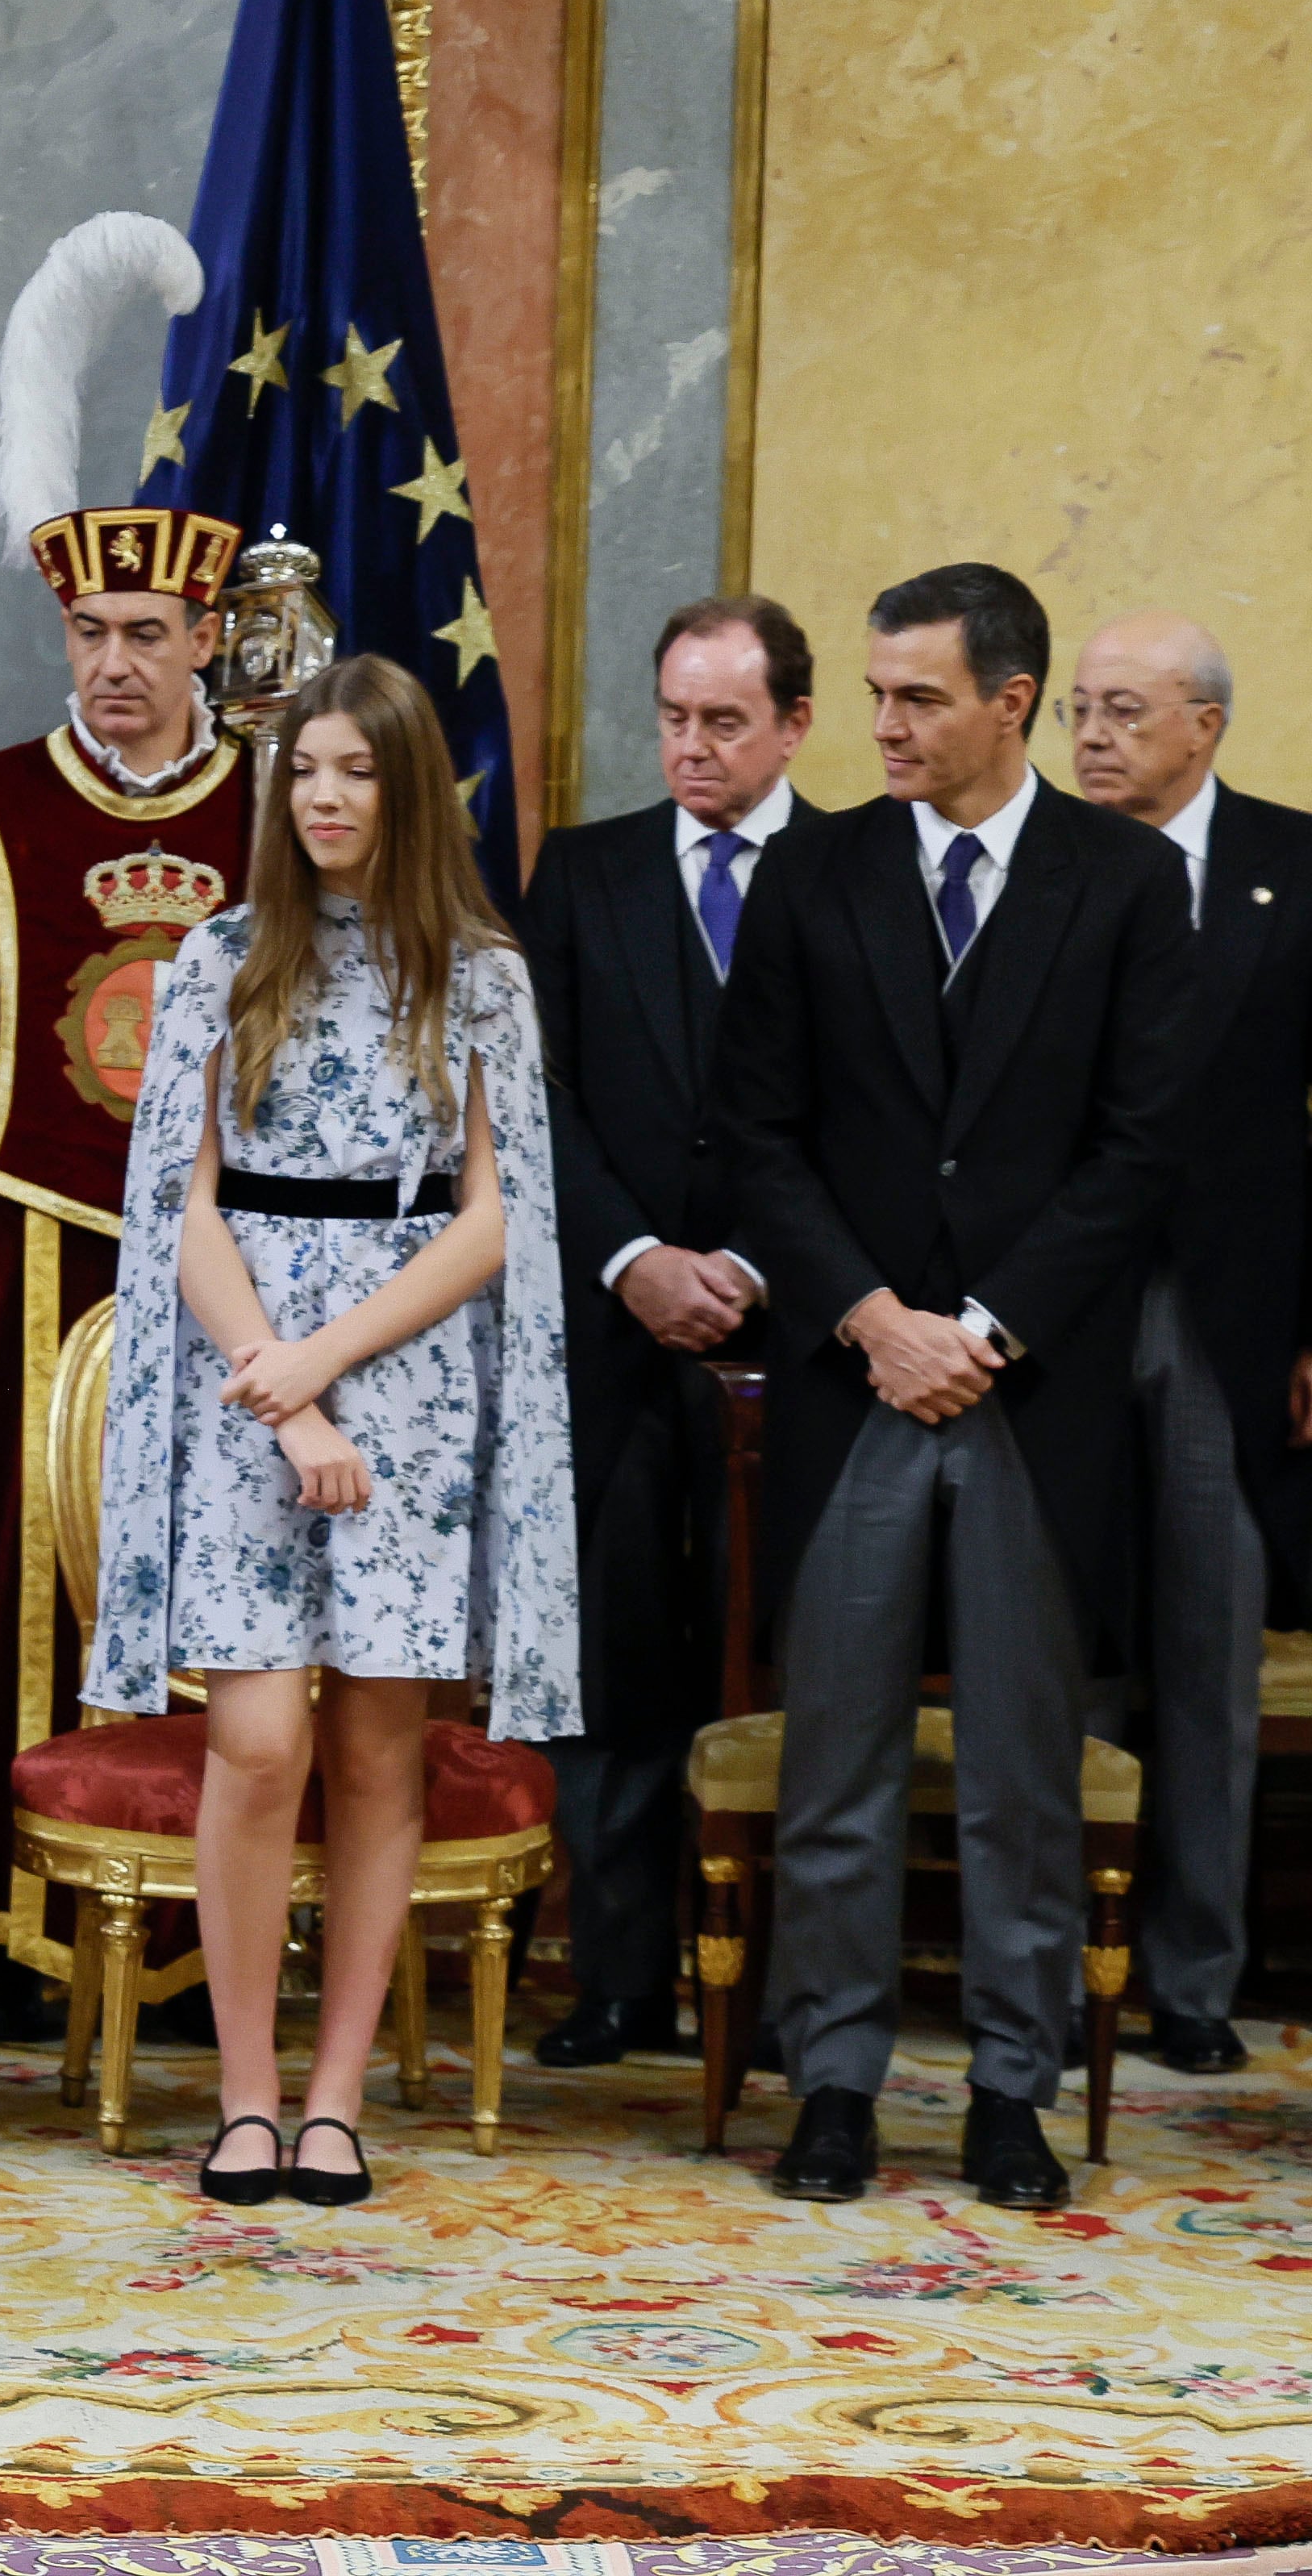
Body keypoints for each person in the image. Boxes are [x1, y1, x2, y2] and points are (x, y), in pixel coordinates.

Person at [715, 563, 1194, 2211]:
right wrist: (870, 1318)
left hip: (1027, 1395)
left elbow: (1141, 1152)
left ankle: (1011, 2088)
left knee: (1020, 1770)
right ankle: (834, 2079)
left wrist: (981, 1327)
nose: (883, 726)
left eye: (918, 696)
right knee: (838, 1757)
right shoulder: (813, 874)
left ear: (1010, 701)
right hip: (857, 1385)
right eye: (875, 694)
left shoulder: (1126, 883)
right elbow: (754, 1137)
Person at [83, 654, 577, 2209]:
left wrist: (327, 1371)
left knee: (376, 1751)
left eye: (356, 771)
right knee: (255, 1738)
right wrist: (272, 1378)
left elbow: (494, 1219)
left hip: (410, 1383)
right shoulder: (221, 957)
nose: (324, 796)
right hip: (247, 1389)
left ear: (406, 789)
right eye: (304, 770)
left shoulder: (481, 970)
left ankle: (336, 2099)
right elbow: (182, 1199)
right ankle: (240, 2094)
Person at [0, 501, 256, 2044]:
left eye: (148, 634)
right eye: (91, 634)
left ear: (208, 640)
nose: (116, 663)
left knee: (230, 1579)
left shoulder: (288, 807)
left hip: (252, 1273)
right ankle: (21, 1929)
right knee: (28, 1583)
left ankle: (217, 1935)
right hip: (31, 1257)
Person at [519, 596, 813, 2069]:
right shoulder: (582, 873)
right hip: (614, 1339)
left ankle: (776, 1997)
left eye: (724, 723)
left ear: (795, 727)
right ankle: (621, 1975)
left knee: (789, 1661)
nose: (691, 749)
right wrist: (634, 1256)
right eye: (673, 720)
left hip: (807, 1338)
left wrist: (761, 1260)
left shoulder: (863, 872)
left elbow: (883, 1109)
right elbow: (528, 1098)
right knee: (617, 1664)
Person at [1066, 610, 1310, 2079]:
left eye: (1123, 712)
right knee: (1069, 1641)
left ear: (1203, 725)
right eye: (1082, 711)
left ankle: (1194, 1972)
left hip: (1232, 1310)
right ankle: (1048, 1957)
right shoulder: (1044, 861)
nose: (1092, 738)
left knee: (1209, 1648)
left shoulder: (1300, 863)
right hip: (1065, 1312)